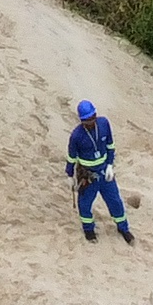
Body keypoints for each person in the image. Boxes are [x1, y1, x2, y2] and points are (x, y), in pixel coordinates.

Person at [67, 99, 130, 243]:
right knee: (84, 204)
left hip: (104, 172)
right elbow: (71, 157)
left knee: (115, 201)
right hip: (87, 176)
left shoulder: (104, 124)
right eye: (87, 120)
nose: (90, 122)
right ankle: (89, 230)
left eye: (92, 117)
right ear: (82, 120)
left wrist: (109, 165)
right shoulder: (76, 136)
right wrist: (69, 175)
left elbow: (110, 146)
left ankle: (123, 228)